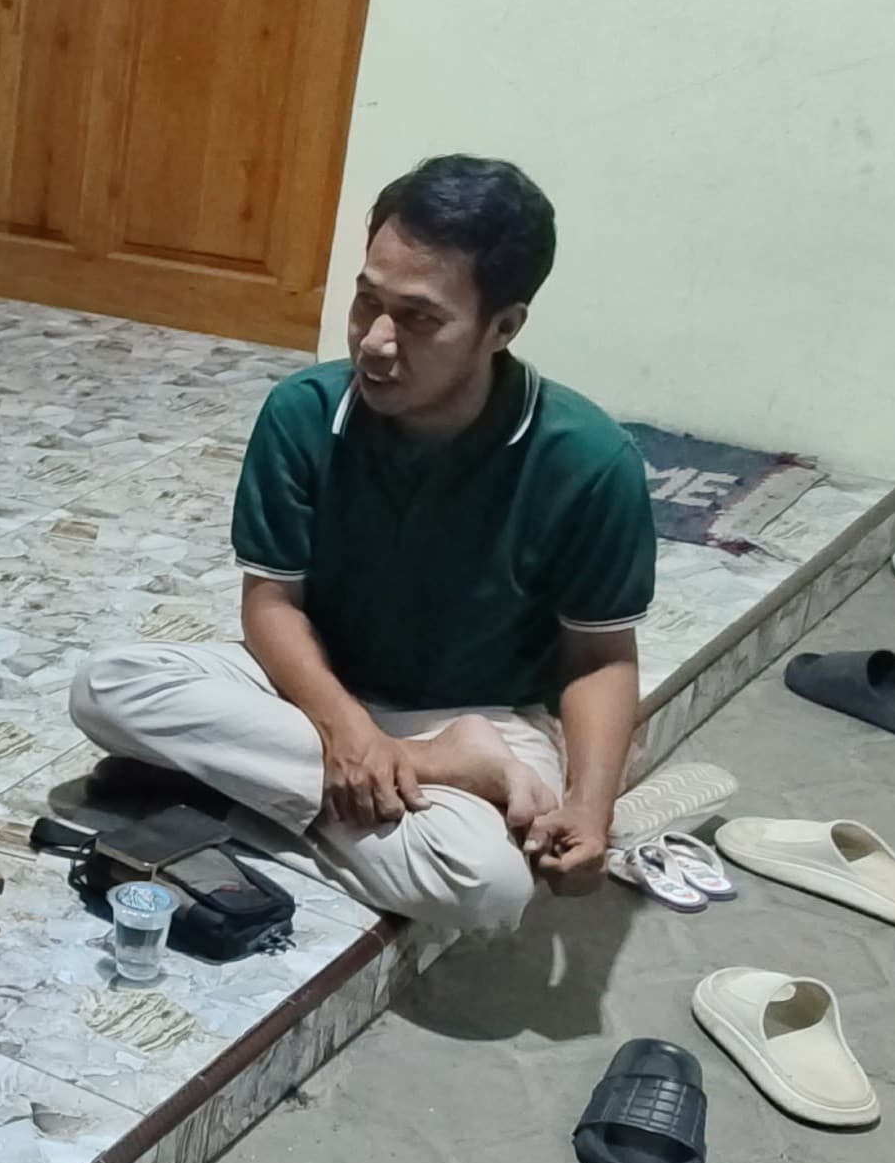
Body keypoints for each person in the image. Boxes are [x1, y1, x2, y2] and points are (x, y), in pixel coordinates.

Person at [68, 155, 656, 938]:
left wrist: (590, 808)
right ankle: (438, 771)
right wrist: (352, 734)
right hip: (311, 694)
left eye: (418, 318)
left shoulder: (588, 460)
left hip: (485, 713)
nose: (375, 341)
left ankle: (223, 790)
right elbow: (272, 604)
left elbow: (601, 658)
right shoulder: (304, 412)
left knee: (485, 887)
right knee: (108, 685)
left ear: (503, 328)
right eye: (367, 301)